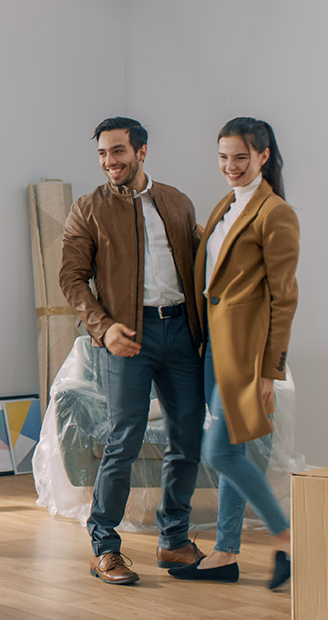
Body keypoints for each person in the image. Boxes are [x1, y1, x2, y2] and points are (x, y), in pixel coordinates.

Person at [60, 117, 206, 585]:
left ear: (142, 152)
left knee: (188, 439)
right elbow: (71, 278)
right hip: (126, 337)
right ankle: (104, 547)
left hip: (181, 331)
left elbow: (203, 263)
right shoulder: (88, 209)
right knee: (124, 440)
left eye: (118, 152)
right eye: (103, 154)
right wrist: (103, 329)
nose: (109, 162)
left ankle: (174, 540)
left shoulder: (178, 202)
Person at [170, 117, 298, 589]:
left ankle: (287, 537)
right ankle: (225, 553)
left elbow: (284, 297)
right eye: (224, 157)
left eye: (241, 158)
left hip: (244, 354)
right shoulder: (227, 203)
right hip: (210, 349)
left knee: (220, 452)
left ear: (264, 156)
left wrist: (270, 371)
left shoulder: (276, 213)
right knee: (230, 451)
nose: (231, 167)